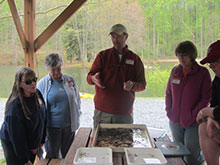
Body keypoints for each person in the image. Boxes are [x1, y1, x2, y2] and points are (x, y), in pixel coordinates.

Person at [87, 24, 146, 128]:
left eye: (118, 36)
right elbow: (89, 77)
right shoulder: (102, 56)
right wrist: (93, 79)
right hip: (102, 112)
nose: (115, 40)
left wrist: (132, 85)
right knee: (100, 143)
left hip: (124, 113)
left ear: (126, 36)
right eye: (113, 37)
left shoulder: (135, 59)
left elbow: (142, 85)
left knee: (123, 143)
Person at [165, 41, 212, 165]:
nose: (181, 58)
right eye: (179, 55)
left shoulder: (203, 73)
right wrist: (169, 111)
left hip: (194, 122)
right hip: (175, 121)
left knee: (191, 156)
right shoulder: (175, 71)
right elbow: (168, 93)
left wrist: (194, 115)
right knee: (178, 154)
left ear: (191, 55)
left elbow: (206, 98)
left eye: (184, 55)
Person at [37, 53, 81, 158]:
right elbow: (38, 107)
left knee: (69, 154)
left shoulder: (70, 80)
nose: (57, 73)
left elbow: (77, 100)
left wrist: (78, 115)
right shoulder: (42, 83)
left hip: (69, 126)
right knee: (52, 155)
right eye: (53, 70)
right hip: (52, 128)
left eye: (59, 69)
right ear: (48, 69)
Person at [0, 66, 46, 165]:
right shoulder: (14, 107)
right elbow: (17, 137)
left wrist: (41, 140)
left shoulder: (37, 94)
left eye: (34, 79)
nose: (33, 83)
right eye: (28, 82)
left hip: (31, 142)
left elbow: (43, 117)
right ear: (20, 84)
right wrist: (24, 159)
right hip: (15, 147)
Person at [196, 40, 220, 165]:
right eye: (210, 64)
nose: (211, 67)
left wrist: (204, 112)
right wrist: (210, 118)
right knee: (203, 127)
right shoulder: (217, 80)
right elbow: (214, 104)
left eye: (214, 63)